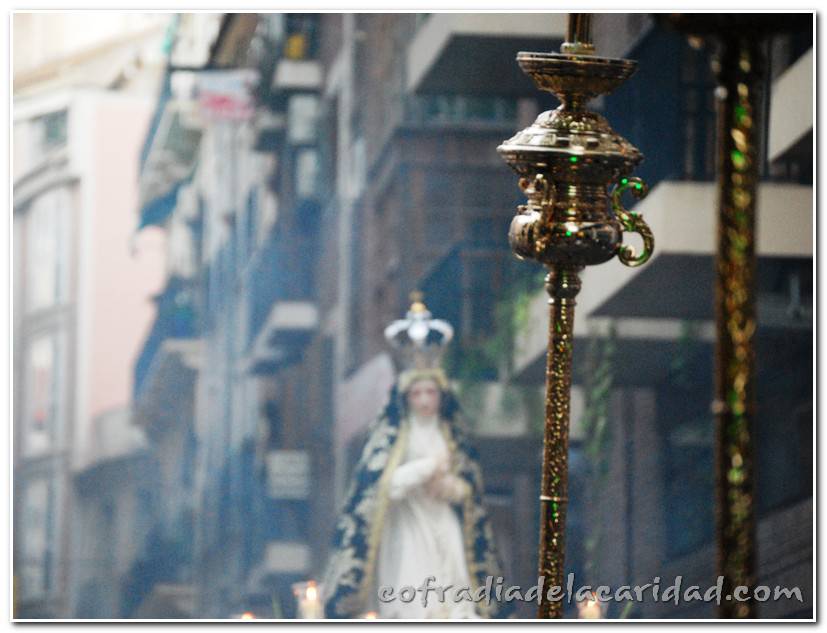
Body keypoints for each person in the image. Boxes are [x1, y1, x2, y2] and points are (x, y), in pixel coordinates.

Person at [322, 297, 513, 619]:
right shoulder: (390, 438)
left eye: (431, 393)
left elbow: (471, 491)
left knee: (455, 599)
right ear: (406, 397)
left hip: (444, 524)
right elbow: (382, 487)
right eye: (417, 393)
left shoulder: (454, 436)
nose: (424, 400)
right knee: (413, 601)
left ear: (441, 395)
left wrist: (454, 489)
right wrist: (426, 469)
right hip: (407, 525)